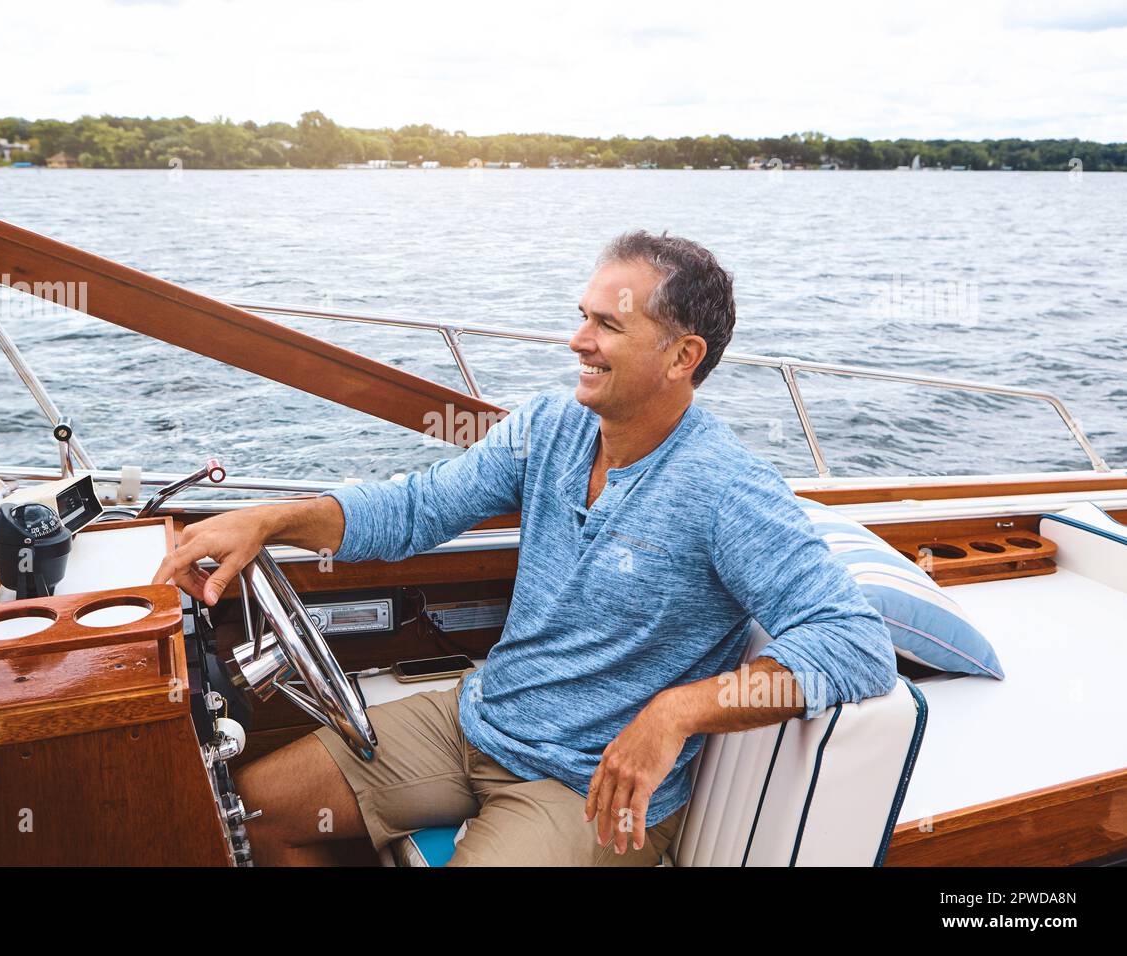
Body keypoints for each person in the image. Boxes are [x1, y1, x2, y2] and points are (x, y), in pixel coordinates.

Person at [153, 230, 897, 866]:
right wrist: (269, 521)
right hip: (480, 717)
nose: (577, 340)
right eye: (582, 317)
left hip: (584, 786)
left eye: (608, 325)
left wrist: (676, 713)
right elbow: (416, 509)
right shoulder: (550, 427)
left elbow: (853, 644)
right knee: (249, 812)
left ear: (682, 356)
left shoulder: (726, 488)